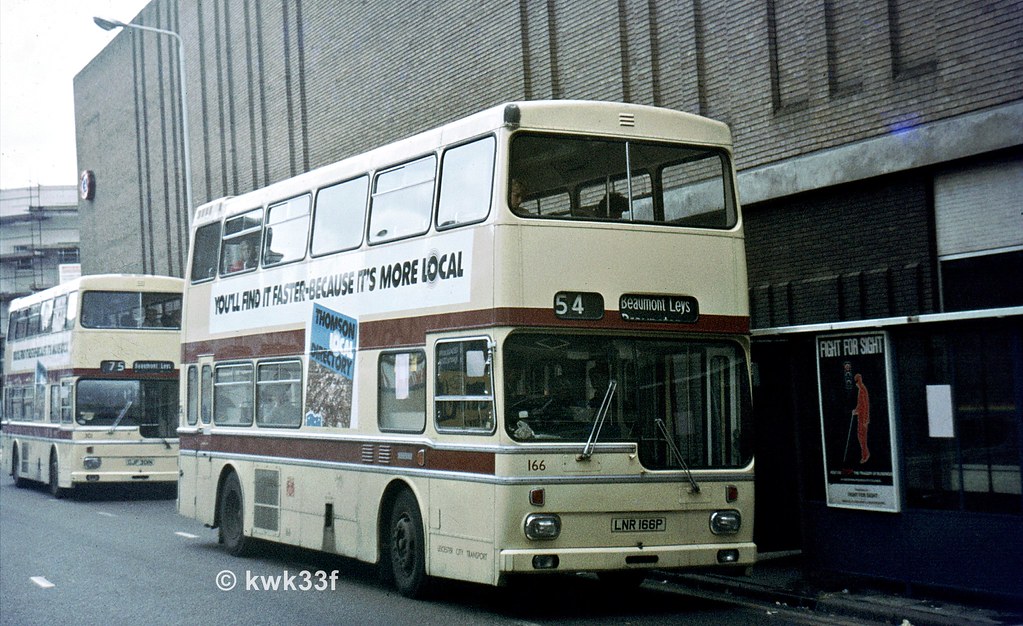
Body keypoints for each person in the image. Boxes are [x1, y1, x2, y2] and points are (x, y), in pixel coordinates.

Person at [853, 373, 870, 463]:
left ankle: (865, 455)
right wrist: (856, 410)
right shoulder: (861, 390)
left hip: (863, 418)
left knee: (862, 437)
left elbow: (865, 405)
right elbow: (860, 405)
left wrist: (865, 419)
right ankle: (865, 454)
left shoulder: (862, 390)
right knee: (860, 436)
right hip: (861, 417)